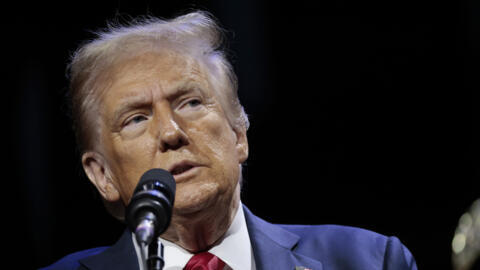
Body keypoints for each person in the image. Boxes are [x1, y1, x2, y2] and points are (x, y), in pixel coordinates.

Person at [41, 11, 417, 270]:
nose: (171, 133)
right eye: (137, 118)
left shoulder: (368, 260)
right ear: (102, 174)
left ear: (239, 132)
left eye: (190, 102)